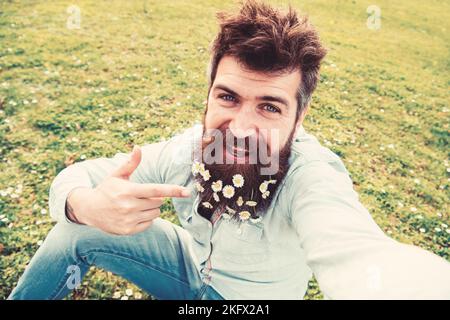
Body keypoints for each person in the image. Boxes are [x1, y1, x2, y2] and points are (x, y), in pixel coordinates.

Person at [9, 0, 450, 300]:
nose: (240, 127)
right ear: (208, 97)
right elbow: (81, 176)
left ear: (298, 121)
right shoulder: (188, 149)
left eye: (270, 106)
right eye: (228, 97)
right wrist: (85, 203)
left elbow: (357, 252)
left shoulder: (310, 176)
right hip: (187, 266)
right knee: (73, 229)